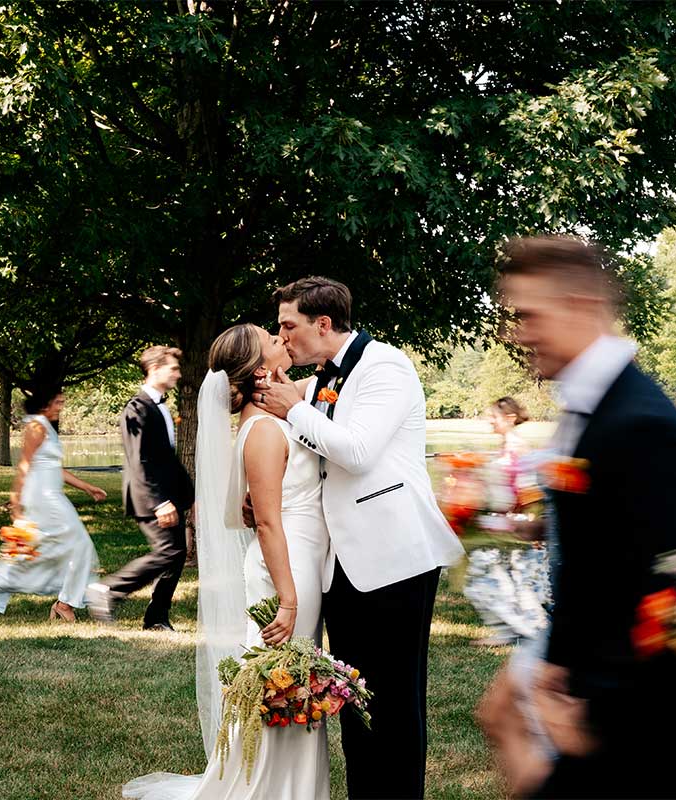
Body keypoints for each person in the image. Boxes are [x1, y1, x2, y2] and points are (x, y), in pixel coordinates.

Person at [486, 236, 676, 799]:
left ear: (581, 306)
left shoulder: (641, 424)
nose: (519, 333)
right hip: (591, 696)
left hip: (634, 726)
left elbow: (670, 593)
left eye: (529, 315)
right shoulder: (587, 407)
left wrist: (592, 707)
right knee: (501, 724)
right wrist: (555, 663)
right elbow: (595, 560)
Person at [253, 276, 465, 800]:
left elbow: (358, 451)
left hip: (393, 555)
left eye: (288, 326)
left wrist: (293, 408)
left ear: (322, 324)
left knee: (394, 701)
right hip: (338, 563)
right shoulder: (324, 374)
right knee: (353, 698)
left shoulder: (385, 366)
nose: (283, 337)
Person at [122, 323, 329, 800]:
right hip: (286, 569)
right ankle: (267, 788)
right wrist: (290, 600)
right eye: (273, 340)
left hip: (299, 559)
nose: (283, 340)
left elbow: (324, 381)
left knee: (294, 681)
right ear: (260, 370)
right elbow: (267, 524)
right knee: (282, 683)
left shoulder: (281, 413)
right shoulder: (261, 430)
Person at [0, 387, 105, 621]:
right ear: (45, 403)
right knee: (76, 546)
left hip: (52, 496)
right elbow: (24, 466)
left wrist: (86, 487)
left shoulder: (46, 426)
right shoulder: (36, 427)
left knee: (37, 549)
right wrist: (16, 502)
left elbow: (52, 467)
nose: (61, 406)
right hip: (43, 499)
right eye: (58, 402)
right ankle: (63, 602)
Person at [87, 346, 194, 631]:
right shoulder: (137, 408)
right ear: (154, 369)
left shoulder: (161, 406)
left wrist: (185, 494)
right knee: (168, 552)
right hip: (150, 497)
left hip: (170, 495)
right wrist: (159, 502)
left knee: (176, 554)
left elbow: (167, 457)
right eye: (172, 368)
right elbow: (139, 460)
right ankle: (107, 590)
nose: (178, 374)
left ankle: (157, 617)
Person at [463, 397, 550, 647]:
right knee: (495, 578)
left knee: (494, 577)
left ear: (510, 418)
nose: (489, 420)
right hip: (499, 521)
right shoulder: (504, 446)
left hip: (516, 523)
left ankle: (523, 630)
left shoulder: (518, 447)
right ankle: (511, 629)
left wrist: (525, 520)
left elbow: (529, 490)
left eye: (494, 416)